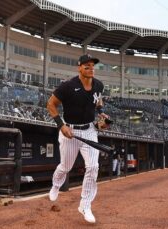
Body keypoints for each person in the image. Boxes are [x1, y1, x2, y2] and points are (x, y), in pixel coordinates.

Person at [47, 54, 110, 224]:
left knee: (93, 166)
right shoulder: (68, 86)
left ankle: (85, 204)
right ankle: (55, 185)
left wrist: (101, 114)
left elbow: (98, 102)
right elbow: (50, 104)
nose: (91, 69)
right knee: (65, 167)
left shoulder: (98, 85)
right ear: (79, 67)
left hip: (89, 130)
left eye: (93, 66)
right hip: (70, 130)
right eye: (87, 66)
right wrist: (61, 125)